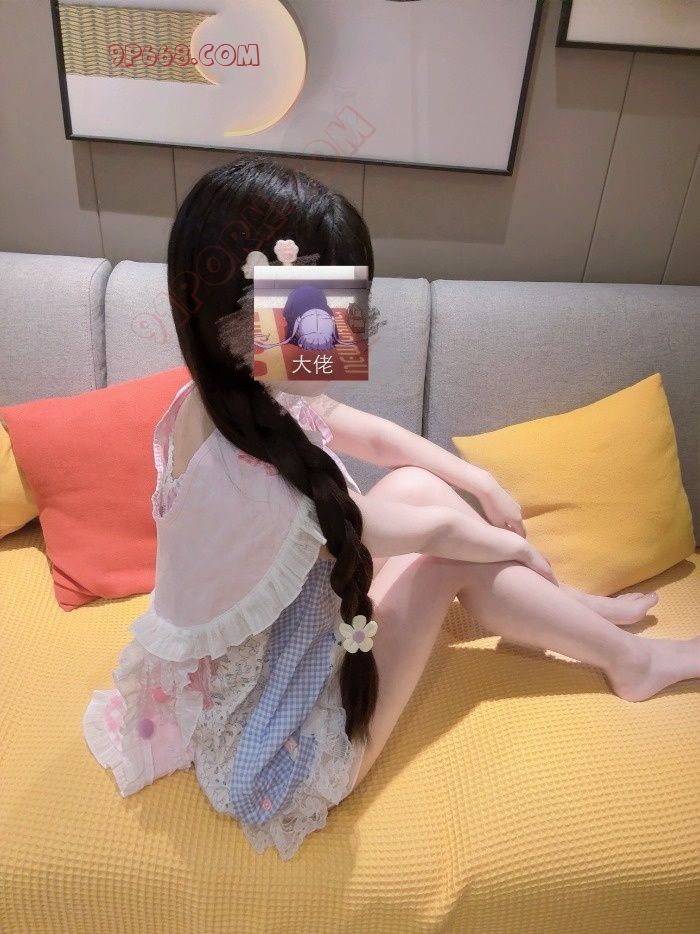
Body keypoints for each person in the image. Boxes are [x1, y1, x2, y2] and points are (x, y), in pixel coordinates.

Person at [83, 157, 700, 862]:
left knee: (415, 485)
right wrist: (516, 546)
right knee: (447, 560)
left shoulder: (227, 400)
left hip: (286, 640)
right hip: (274, 741)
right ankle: (631, 661)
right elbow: (428, 534)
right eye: (321, 308)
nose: (340, 329)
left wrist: (479, 480)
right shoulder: (255, 474)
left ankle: (578, 616)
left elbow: (370, 436)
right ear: (247, 311)